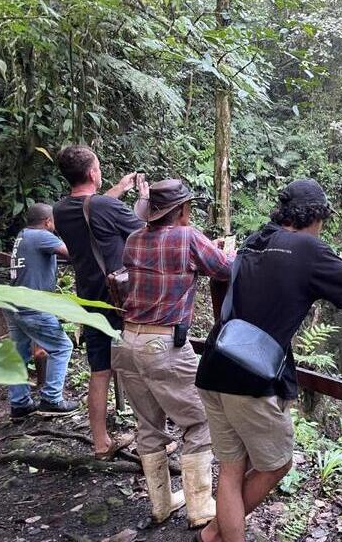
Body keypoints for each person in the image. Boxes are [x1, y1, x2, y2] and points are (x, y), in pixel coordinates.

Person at [194, 179, 342, 542]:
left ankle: (214, 534)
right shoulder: (308, 247)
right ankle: (217, 532)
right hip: (251, 377)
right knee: (277, 464)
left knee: (231, 469)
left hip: (214, 364)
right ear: (316, 216)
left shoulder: (254, 240)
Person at [116, 179, 231, 528]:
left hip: (126, 341)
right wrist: (224, 250)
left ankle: (162, 505)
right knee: (200, 420)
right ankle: (199, 509)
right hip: (162, 344)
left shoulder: (134, 240)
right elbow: (224, 268)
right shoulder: (188, 237)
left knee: (148, 424)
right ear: (181, 210)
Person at [53, 145, 147, 460]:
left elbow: (91, 207)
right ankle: (151, 438)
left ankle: (101, 442)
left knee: (100, 370)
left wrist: (120, 188)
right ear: (94, 172)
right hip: (120, 298)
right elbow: (145, 231)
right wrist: (142, 201)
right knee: (139, 364)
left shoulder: (60, 210)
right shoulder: (107, 207)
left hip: (88, 298)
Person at [6, 203, 78, 420]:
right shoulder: (41, 236)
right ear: (48, 222)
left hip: (13, 304)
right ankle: (51, 399)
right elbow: (72, 254)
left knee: (19, 355)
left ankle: (19, 404)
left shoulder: (23, 234)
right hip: (32, 306)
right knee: (62, 347)